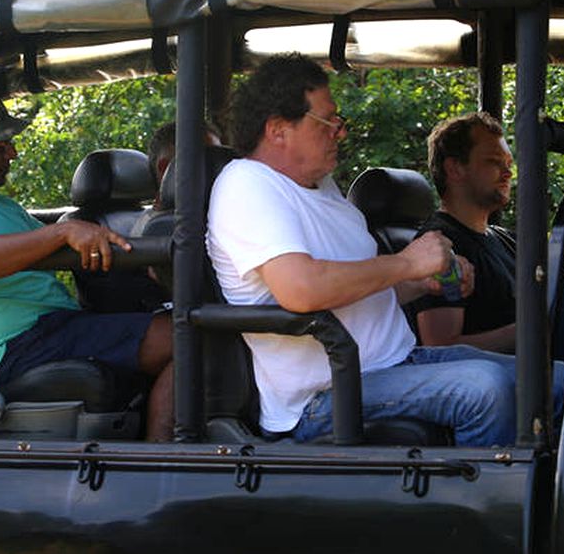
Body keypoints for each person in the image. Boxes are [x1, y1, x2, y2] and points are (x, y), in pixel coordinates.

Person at [207, 52, 518, 446]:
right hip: (323, 396)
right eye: (328, 122)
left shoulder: (326, 190)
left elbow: (359, 288)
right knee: (485, 388)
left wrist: (422, 283)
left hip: (394, 365)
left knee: (551, 380)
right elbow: (301, 289)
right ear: (278, 130)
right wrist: (407, 262)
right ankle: (483, 505)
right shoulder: (247, 185)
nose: (340, 132)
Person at [0, 86, 175, 440]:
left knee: (186, 322)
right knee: (184, 339)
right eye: (0, 146)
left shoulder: (2, 206)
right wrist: (61, 233)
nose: (12, 153)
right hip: (16, 346)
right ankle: (163, 459)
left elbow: (49, 250)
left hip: (58, 328)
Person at [407, 113, 517, 352]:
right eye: (494, 162)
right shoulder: (440, 245)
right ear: (455, 168)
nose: (508, 173)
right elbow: (441, 346)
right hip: (498, 383)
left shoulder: (506, 240)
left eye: (508, 164)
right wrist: (533, 331)